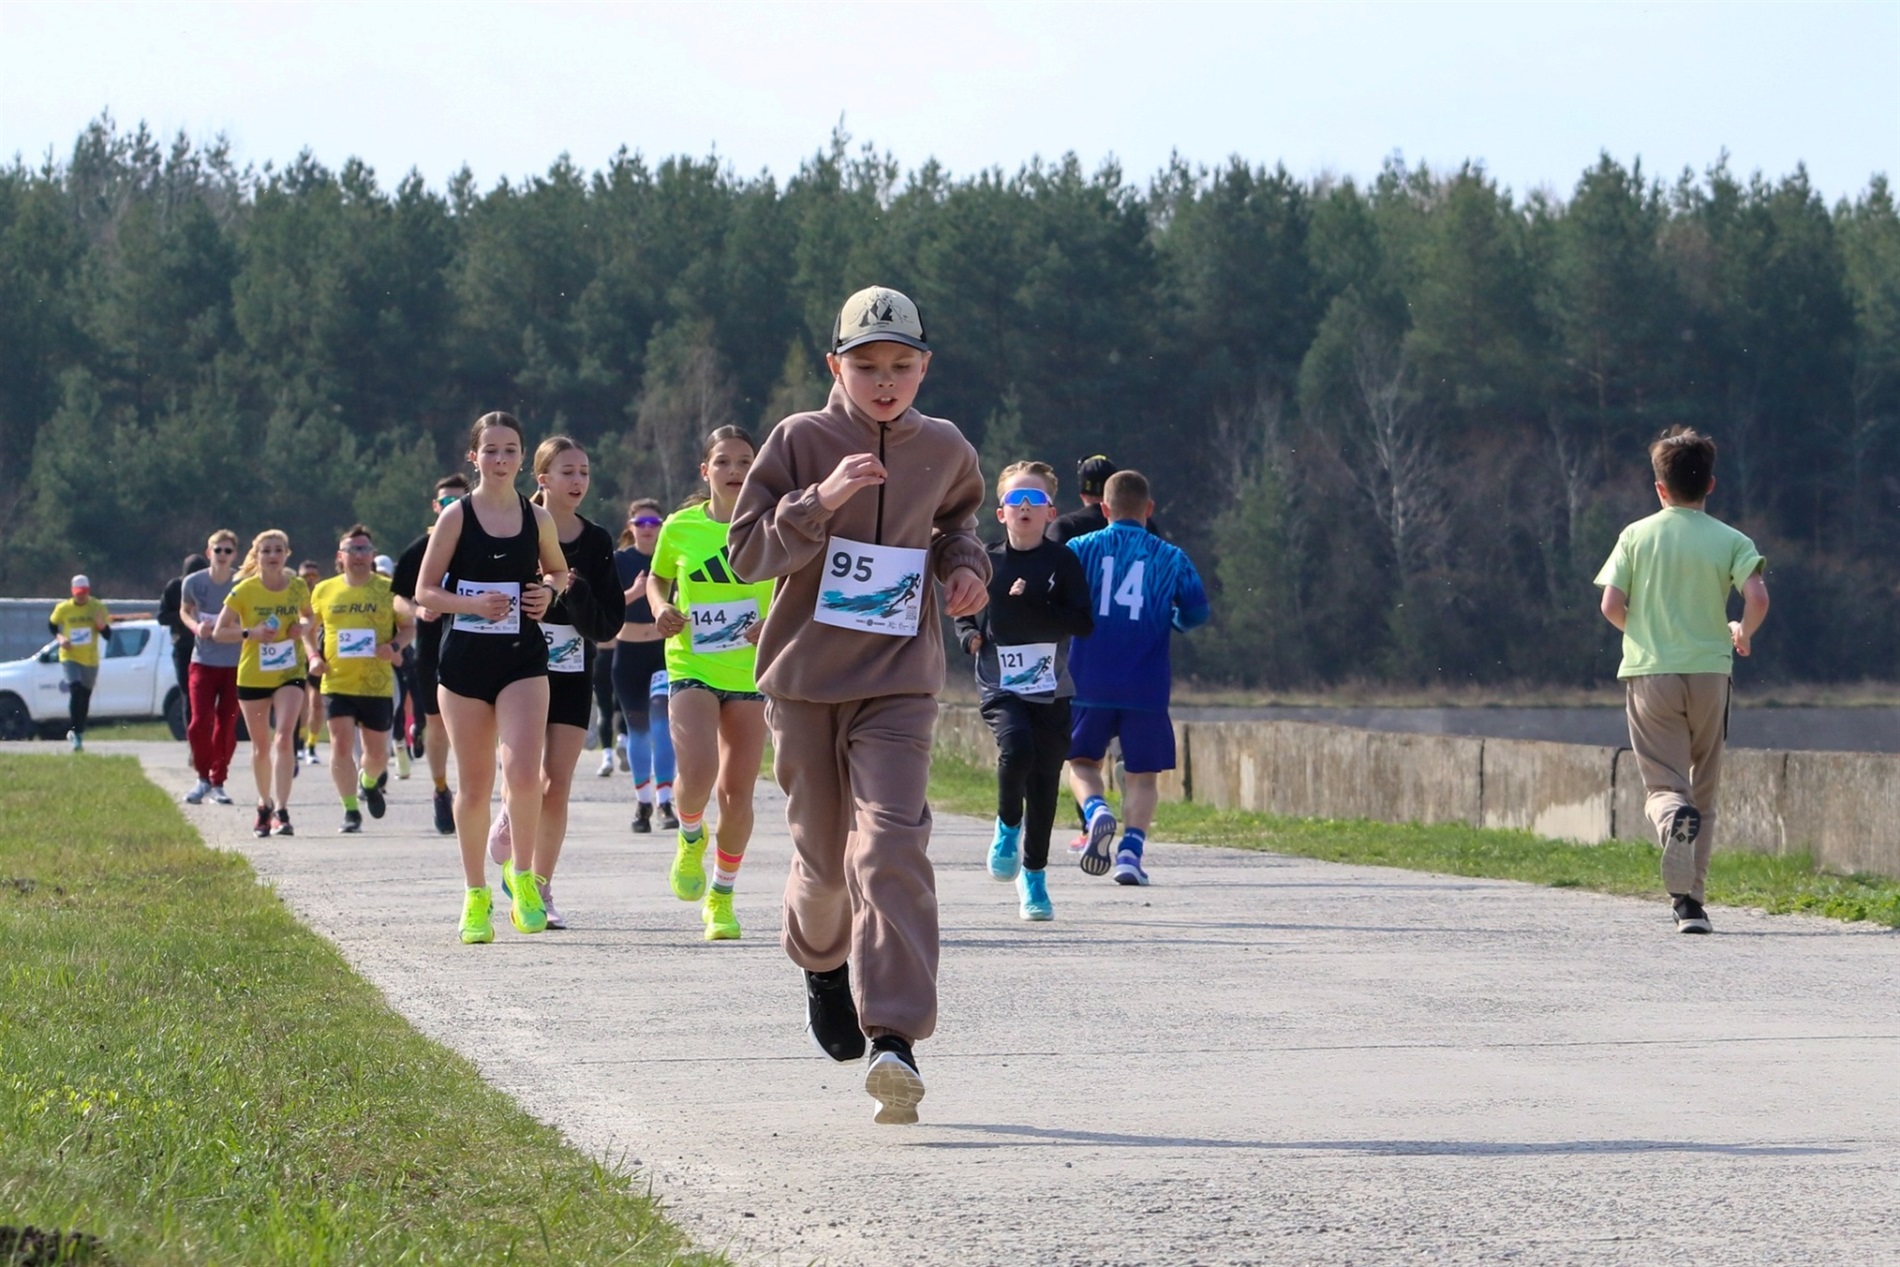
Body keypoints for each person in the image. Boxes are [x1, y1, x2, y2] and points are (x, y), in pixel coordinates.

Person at [729, 285, 989, 1125]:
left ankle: (895, 1038)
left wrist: (964, 567)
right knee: (822, 865)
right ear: (834, 366)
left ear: (924, 367)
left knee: (889, 846)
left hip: (899, 682)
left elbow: (956, 525)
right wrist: (821, 499)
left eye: (901, 366)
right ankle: (821, 964)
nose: (885, 381)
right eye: (867, 365)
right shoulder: (800, 439)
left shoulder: (945, 447)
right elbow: (746, 554)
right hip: (806, 682)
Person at [1595, 427, 1770, 935]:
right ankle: (1692, 902)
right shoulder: (1731, 540)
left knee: (1664, 785)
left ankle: (1673, 821)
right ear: (1710, 484)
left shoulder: (1635, 535)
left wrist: (1643, 632)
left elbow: (1610, 605)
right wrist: (1742, 632)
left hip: (1651, 672)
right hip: (1711, 672)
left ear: (1660, 488)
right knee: (1704, 791)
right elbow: (1757, 598)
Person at [416, 412, 568, 945]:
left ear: (523, 458)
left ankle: (523, 879)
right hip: (464, 665)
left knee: (525, 774)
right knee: (476, 784)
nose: (501, 460)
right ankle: (475, 893)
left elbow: (558, 571)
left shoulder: (537, 518)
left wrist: (549, 592)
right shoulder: (456, 517)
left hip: (522, 659)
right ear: (473, 457)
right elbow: (425, 591)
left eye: (510, 450)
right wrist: (473, 605)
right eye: (491, 450)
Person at [485, 437, 624, 929]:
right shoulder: (514, 527)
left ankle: (541, 888)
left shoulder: (597, 541)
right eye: (568, 472)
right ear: (542, 478)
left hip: (571, 669)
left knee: (557, 782)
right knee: (522, 772)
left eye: (584, 472)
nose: (578, 481)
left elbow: (609, 622)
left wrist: (574, 590)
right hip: (517, 667)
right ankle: (512, 813)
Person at [648, 426, 776, 941]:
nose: (735, 471)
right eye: (723, 462)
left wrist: (774, 623)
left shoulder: (770, 525)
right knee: (697, 770)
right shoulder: (680, 526)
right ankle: (689, 833)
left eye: (745, 461)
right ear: (706, 471)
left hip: (749, 670)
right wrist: (660, 607)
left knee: (737, 791)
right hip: (691, 663)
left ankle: (721, 898)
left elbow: (797, 584)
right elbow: (657, 578)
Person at [954, 461, 1094, 921]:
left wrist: (1037, 601)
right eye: (1017, 499)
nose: (1026, 507)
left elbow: (1083, 623)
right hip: (1001, 681)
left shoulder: (1063, 561)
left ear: (1051, 512)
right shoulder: (987, 560)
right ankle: (1007, 825)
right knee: (1016, 747)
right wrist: (969, 636)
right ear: (1001, 513)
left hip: (1051, 686)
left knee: (1045, 781)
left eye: (1036, 500)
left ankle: (1033, 876)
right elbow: (963, 611)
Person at [1064, 469, 1209, 887]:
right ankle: (1131, 854)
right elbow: (1196, 612)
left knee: (1082, 763)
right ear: (1149, 509)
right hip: (1145, 686)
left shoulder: (1079, 549)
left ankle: (1096, 811)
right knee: (1142, 775)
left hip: (1087, 681)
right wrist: (1173, 620)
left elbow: (1057, 599)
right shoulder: (1171, 556)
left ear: (1103, 508)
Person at [305, 526, 413, 834]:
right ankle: (350, 810)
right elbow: (308, 630)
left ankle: (368, 782)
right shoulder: (324, 590)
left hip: (375, 683)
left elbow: (408, 627)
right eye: (352, 550)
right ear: (340, 556)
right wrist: (313, 657)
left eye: (364, 549)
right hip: (336, 681)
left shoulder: (388, 589)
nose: (358, 556)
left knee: (377, 755)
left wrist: (393, 647)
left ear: (372, 555)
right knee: (340, 745)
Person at [213, 530, 314, 837]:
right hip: (254, 674)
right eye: (266, 551)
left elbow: (310, 617)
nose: (272, 556)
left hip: (289, 671)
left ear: (287, 554)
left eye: (278, 550)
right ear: (256, 556)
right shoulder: (244, 590)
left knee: (283, 738)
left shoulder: (297, 586)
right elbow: (219, 631)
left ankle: (281, 810)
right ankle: (264, 804)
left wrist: (301, 627)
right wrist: (250, 633)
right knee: (261, 746)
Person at [393, 472, 472, 836]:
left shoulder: (481, 542)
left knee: (477, 728)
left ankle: (473, 792)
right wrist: (417, 610)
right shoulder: (420, 548)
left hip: (475, 645)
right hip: (432, 649)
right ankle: (441, 789)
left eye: (459, 500)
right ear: (435, 506)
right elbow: (398, 597)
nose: (452, 506)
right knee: (437, 724)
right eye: (446, 501)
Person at [612, 498, 679, 832]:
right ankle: (643, 803)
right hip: (628, 654)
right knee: (637, 729)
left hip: (662, 651)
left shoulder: (670, 558)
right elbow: (606, 603)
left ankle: (665, 800)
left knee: (662, 722)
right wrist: (636, 592)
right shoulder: (619, 561)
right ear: (631, 527)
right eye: (641, 523)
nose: (648, 529)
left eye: (654, 523)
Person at [181, 530, 243, 804]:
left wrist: (236, 628)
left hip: (235, 663)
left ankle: (218, 781)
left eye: (228, 551)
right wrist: (196, 627)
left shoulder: (242, 582)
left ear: (235, 555)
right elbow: (185, 610)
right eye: (218, 550)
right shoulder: (194, 582)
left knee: (226, 726)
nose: (222, 555)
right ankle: (202, 777)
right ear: (209, 553)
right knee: (198, 723)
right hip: (203, 661)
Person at [48, 575, 113, 752]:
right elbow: (52, 625)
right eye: (78, 593)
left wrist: (101, 626)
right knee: (75, 690)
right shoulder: (63, 608)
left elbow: (108, 635)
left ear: (88, 591)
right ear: (72, 592)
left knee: (84, 697)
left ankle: (78, 732)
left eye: (84, 592)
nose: (81, 596)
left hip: (90, 659)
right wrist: (60, 638)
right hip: (70, 655)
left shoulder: (97, 607)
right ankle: (76, 735)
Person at [159, 552, 207, 731]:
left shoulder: (210, 586)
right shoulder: (174, 588)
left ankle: (207, 735)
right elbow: (162, 617)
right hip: (183, 647)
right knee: (188, 693)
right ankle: (193, 739)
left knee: (206, 695)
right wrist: (185, 616)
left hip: (208, 647)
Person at [295, 559, 326, 766]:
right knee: (300, 702)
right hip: (296, 654)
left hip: (316, 652)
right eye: (305, 577)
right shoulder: (292, 594)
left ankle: (311, 745)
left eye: (313, 576)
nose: (309, 580)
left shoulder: (322, 596)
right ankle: (298, 742)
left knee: (316, 703)